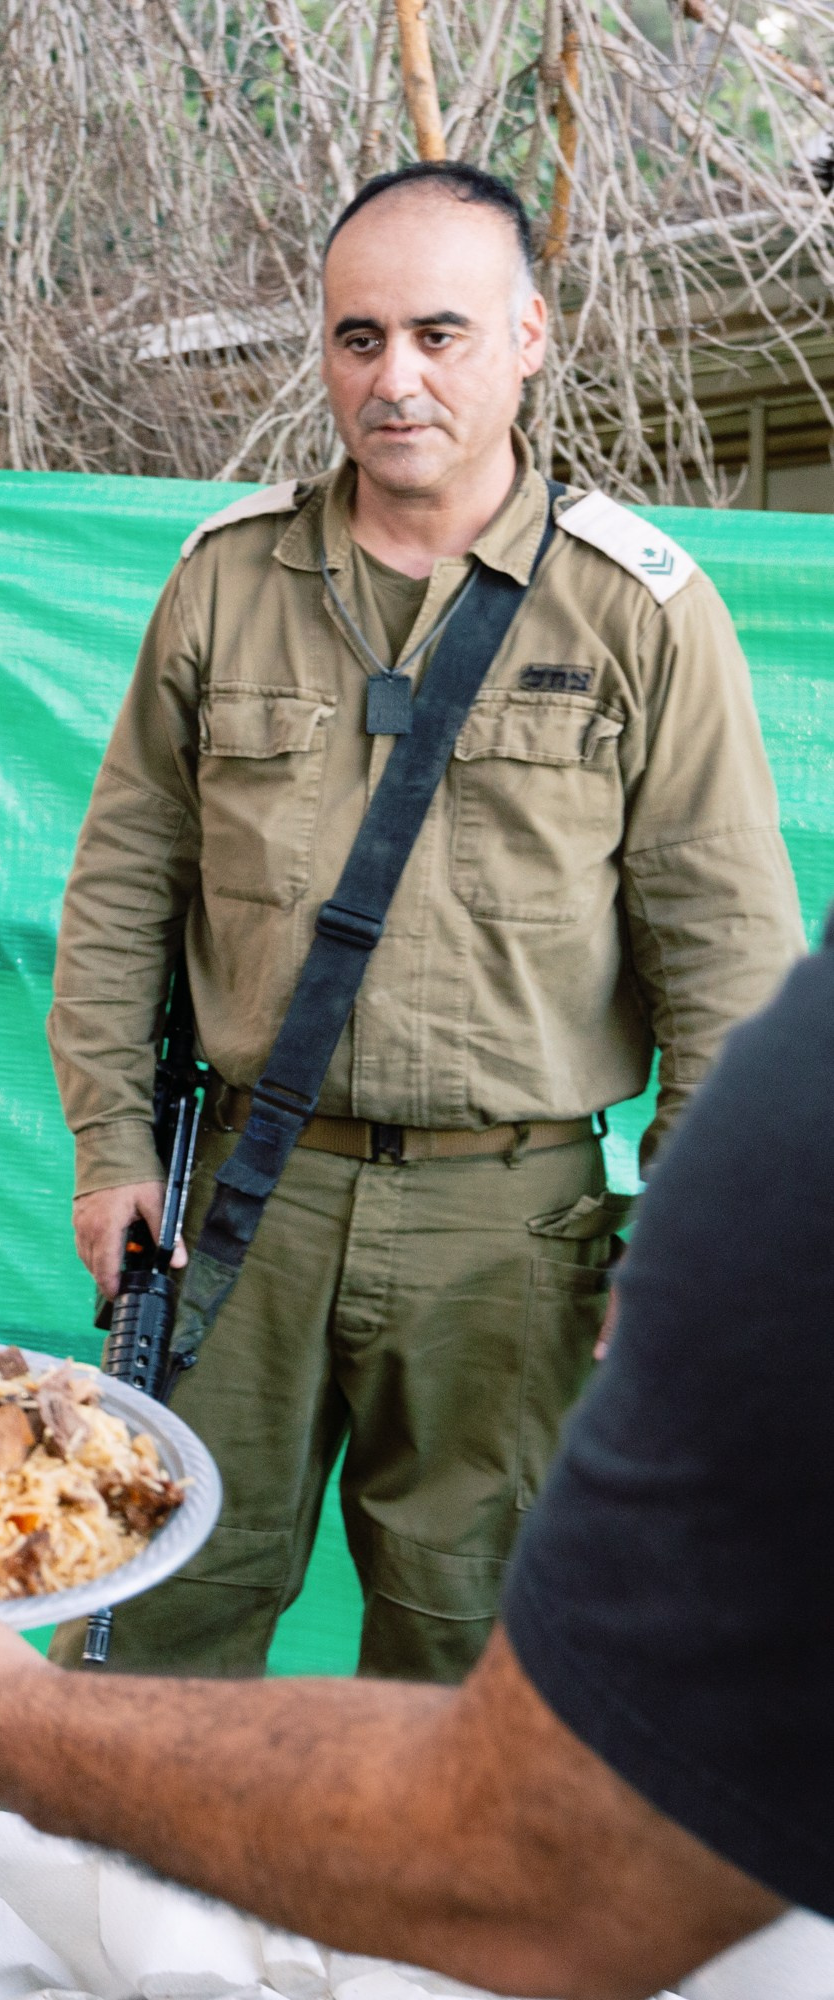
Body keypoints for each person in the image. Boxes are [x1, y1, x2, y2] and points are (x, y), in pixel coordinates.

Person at [0, 929, 834, 2000]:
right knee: (182, 1587)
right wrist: (114, 1139)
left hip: (512, 1187)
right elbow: (125, 893)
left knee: (465, 1598)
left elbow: (553, 1864)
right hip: (256, 1168)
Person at [45, 160, 804, 1681]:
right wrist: (115, 1143)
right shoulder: (224, 584)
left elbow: (730, 961)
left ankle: (408, 1938)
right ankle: (153, 1929)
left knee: (475, 1655)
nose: (396, 379)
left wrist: (684, 1254)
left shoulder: (642, 612)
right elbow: (125, 886)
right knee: (164, 1620)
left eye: (441, 335)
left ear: (528, 335)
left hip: (510, 1227)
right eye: (359, 336)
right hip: (249, 1201)